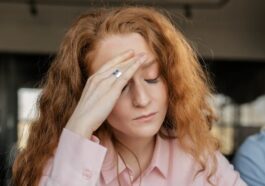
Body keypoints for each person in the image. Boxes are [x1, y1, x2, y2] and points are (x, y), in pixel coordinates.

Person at [11, 6, 246, 186]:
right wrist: (79, 126)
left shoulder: (199, 158)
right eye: (119, 86)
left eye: (153, 77)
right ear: (88, 94)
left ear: (171, 80)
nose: (142, 100)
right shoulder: (61, 157)